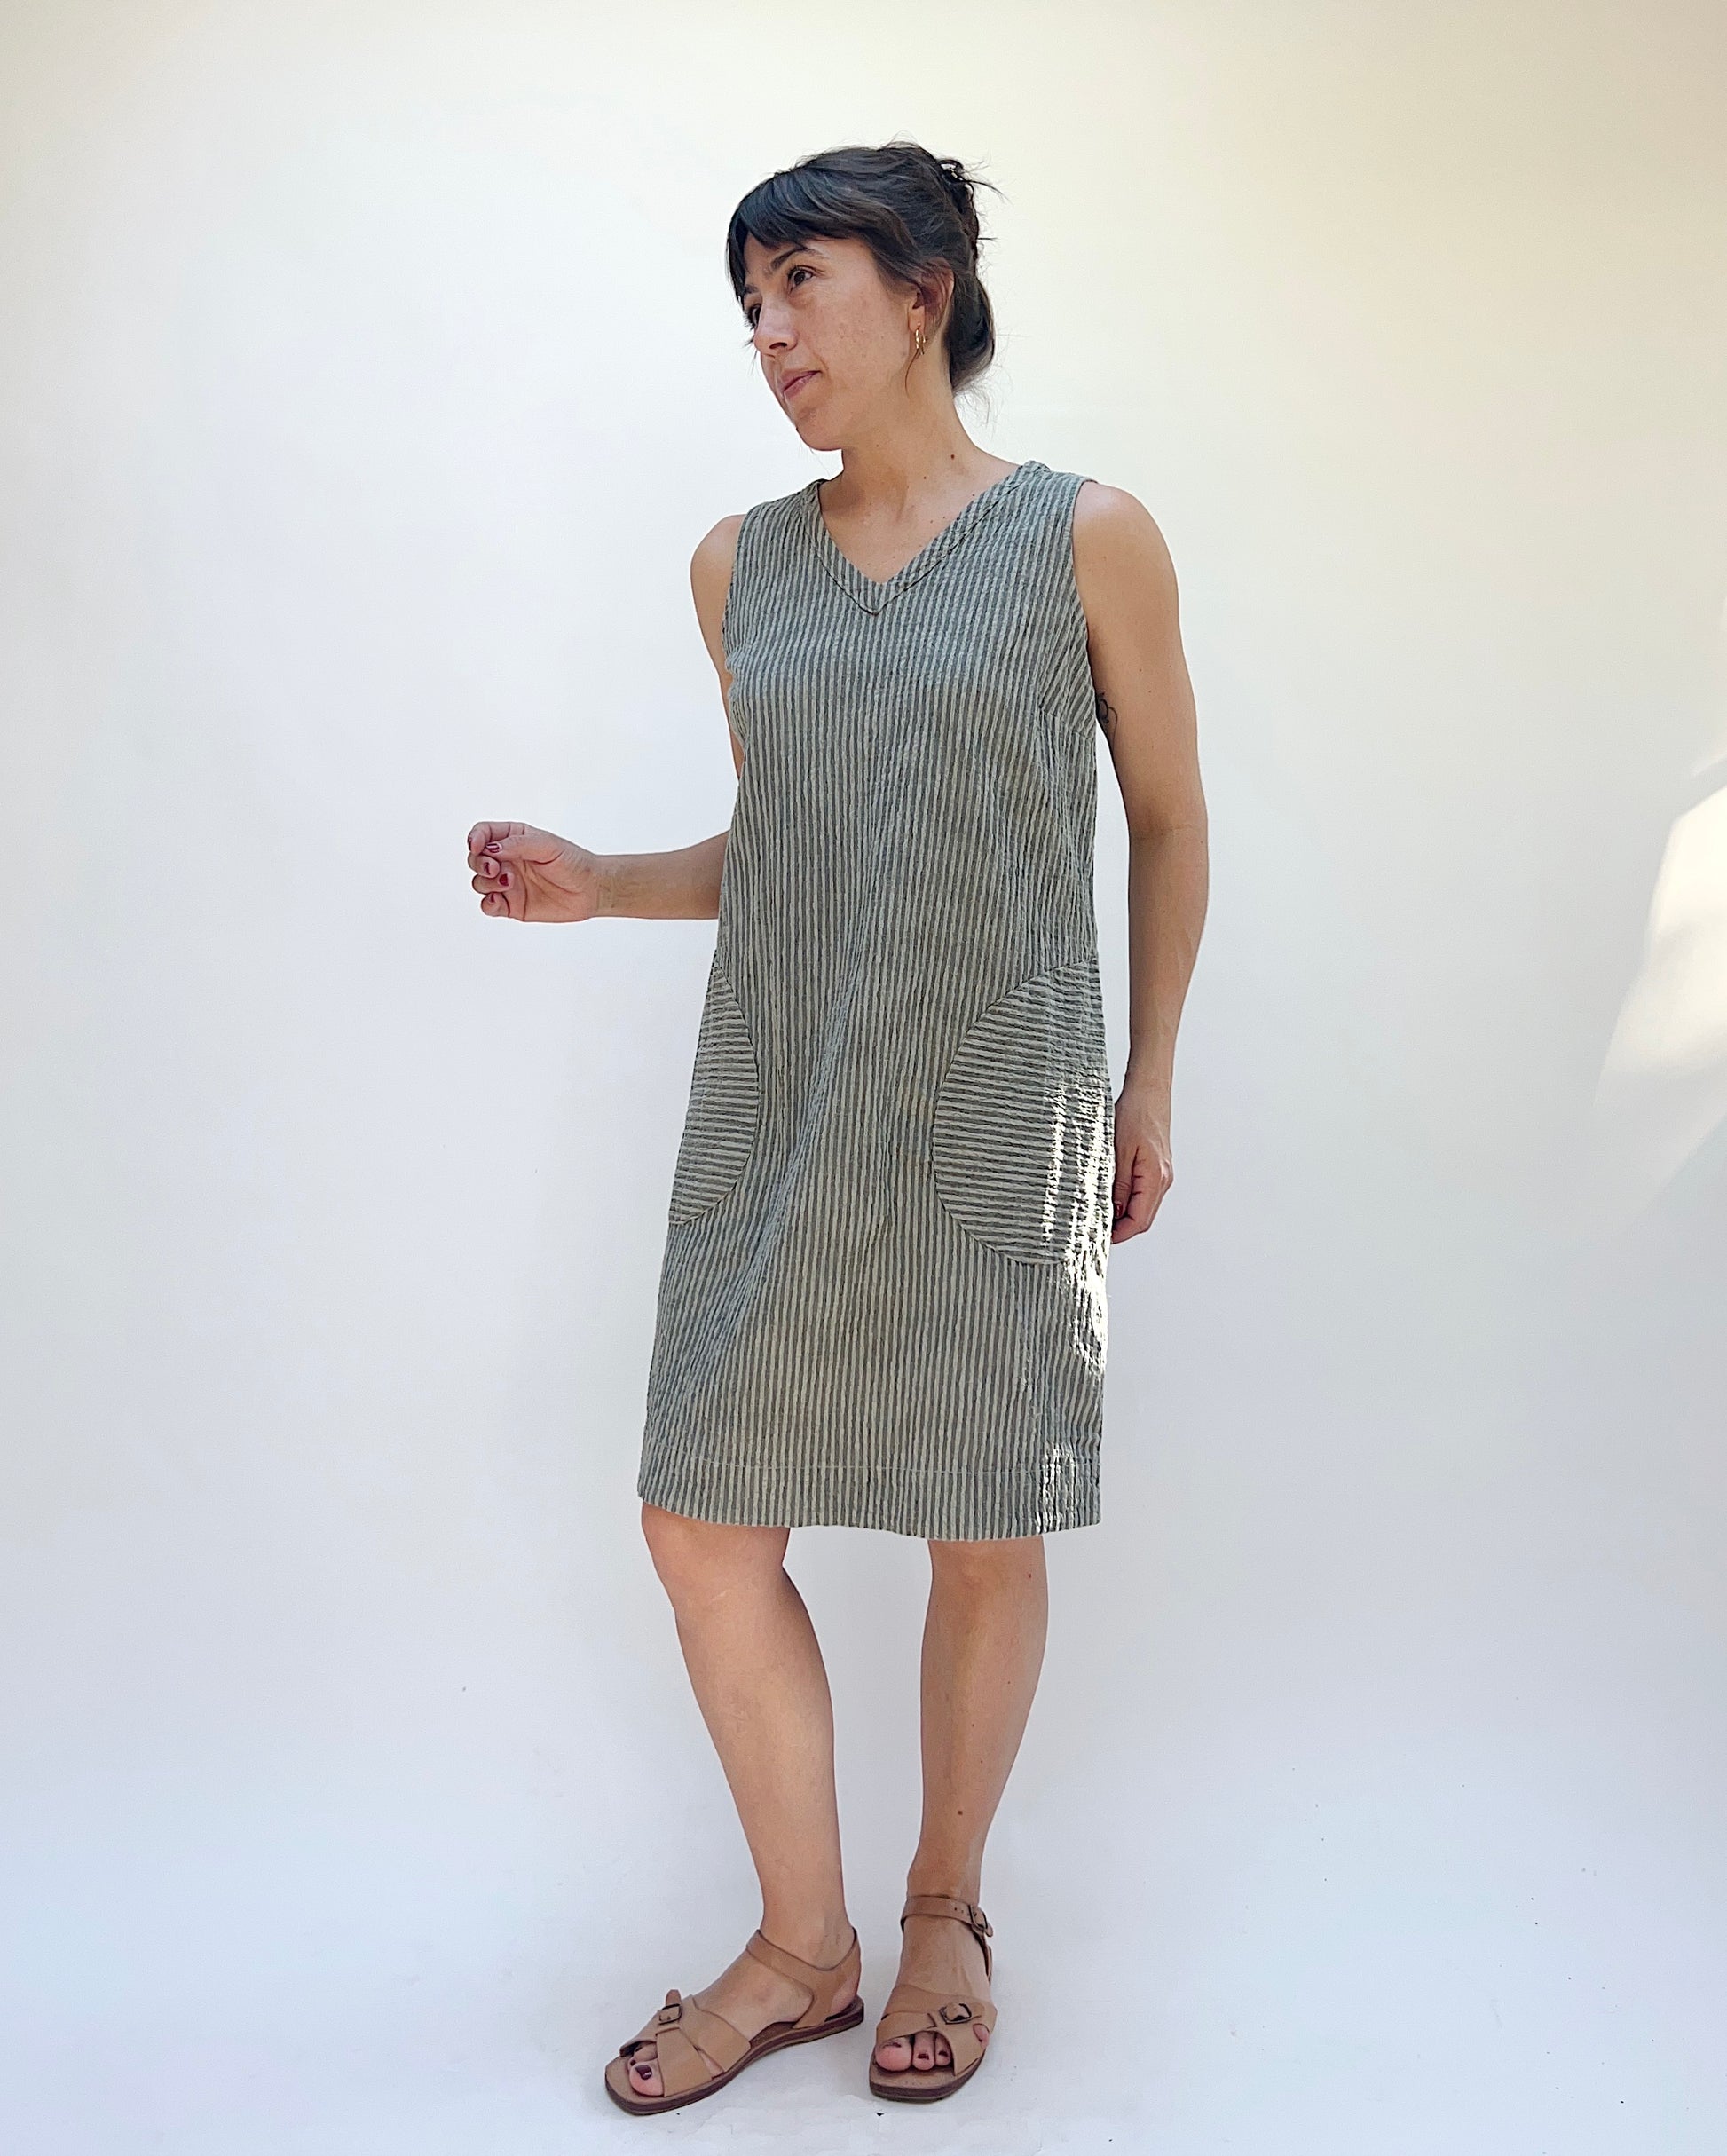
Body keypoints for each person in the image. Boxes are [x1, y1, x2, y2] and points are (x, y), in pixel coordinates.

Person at [464, 139, 1207, 2115]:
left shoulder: (1085, 535)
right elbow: (791, 841)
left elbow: (1165, 818)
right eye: (750, 303)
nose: (770, 332)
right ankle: (802, 1946)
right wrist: (600, 883)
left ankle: (943, 1912)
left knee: (981, 1513)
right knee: (701, 1519)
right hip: (779, 1088)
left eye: (801, 283)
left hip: (994, 1087)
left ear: (925, 288)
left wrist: (1147, 1075)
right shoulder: (738, 564)